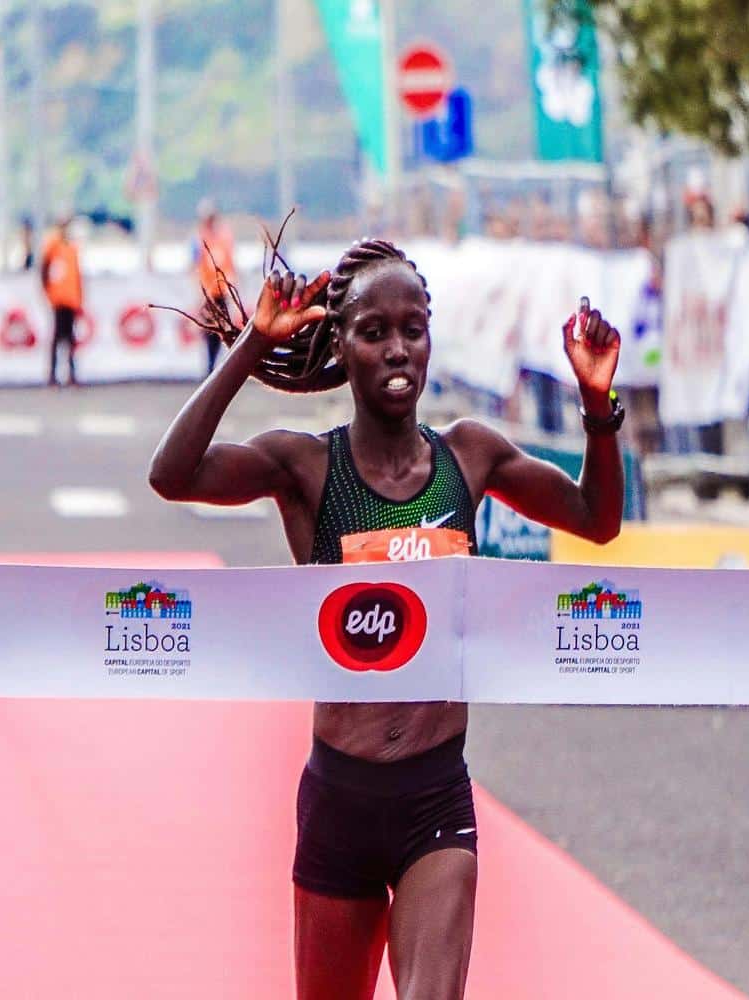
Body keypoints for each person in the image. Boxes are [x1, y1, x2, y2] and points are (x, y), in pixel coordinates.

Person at [148, 239, 624, 999]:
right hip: (339, 801)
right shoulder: (306, 470)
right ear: (341, 344)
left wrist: (598, 407)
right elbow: (172, 475)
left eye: (414, 328)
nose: (398, 349)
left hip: (435, 796)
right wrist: (251, 345)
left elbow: (597, 521)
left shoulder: (471, 457)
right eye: (374, 332)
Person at [191, 197, 236, 373]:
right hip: (207, 293)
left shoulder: (224, 237)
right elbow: (194, 266)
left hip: (221, 291)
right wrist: (198, 292)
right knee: (208, 331)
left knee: (221, 331)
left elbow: (230, 263)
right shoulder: (198, 238)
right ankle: (209, 367)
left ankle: (214, 366)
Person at [40, 215, 83, 387]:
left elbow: (77, 275)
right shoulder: (53, 244)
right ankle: (52, 374)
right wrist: (48, 291)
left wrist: (79, 297)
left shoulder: (72, 248)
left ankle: (71, 374)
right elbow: (44, 269)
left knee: (70, 338)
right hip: (59, 298)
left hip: (71, 298)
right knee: (58, 337)